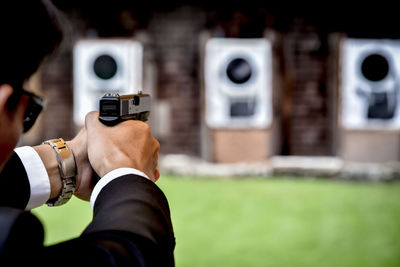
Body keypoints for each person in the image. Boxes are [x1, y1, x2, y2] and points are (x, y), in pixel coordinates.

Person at [0, 1, 175, 266]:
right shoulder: (11, 239)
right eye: (28, 110)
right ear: (4, 104)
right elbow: (127, 257)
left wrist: (64, 163)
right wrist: (125, 171)